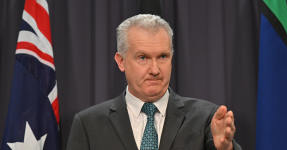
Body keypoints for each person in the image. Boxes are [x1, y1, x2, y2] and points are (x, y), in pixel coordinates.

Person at [66, 14, 242, 150]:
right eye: (143, 58)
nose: (155, 69)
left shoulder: (206, 118)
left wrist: (226, 149)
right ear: (121, 61)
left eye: (163, 56)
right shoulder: (88, 124)